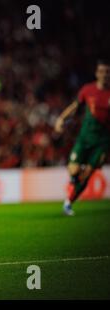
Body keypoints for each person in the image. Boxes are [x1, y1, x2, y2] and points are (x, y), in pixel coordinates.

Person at [55, 59, 110, 216]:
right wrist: (61, 119)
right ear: (96, 73)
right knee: (73, 170)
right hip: (84, 139)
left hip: (102, 143)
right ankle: (74, 180)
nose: (104, 75)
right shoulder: (88, 90)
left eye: (107, 72)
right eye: (102, 71)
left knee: (88, 174)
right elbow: (75, 107)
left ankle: (68, 203)